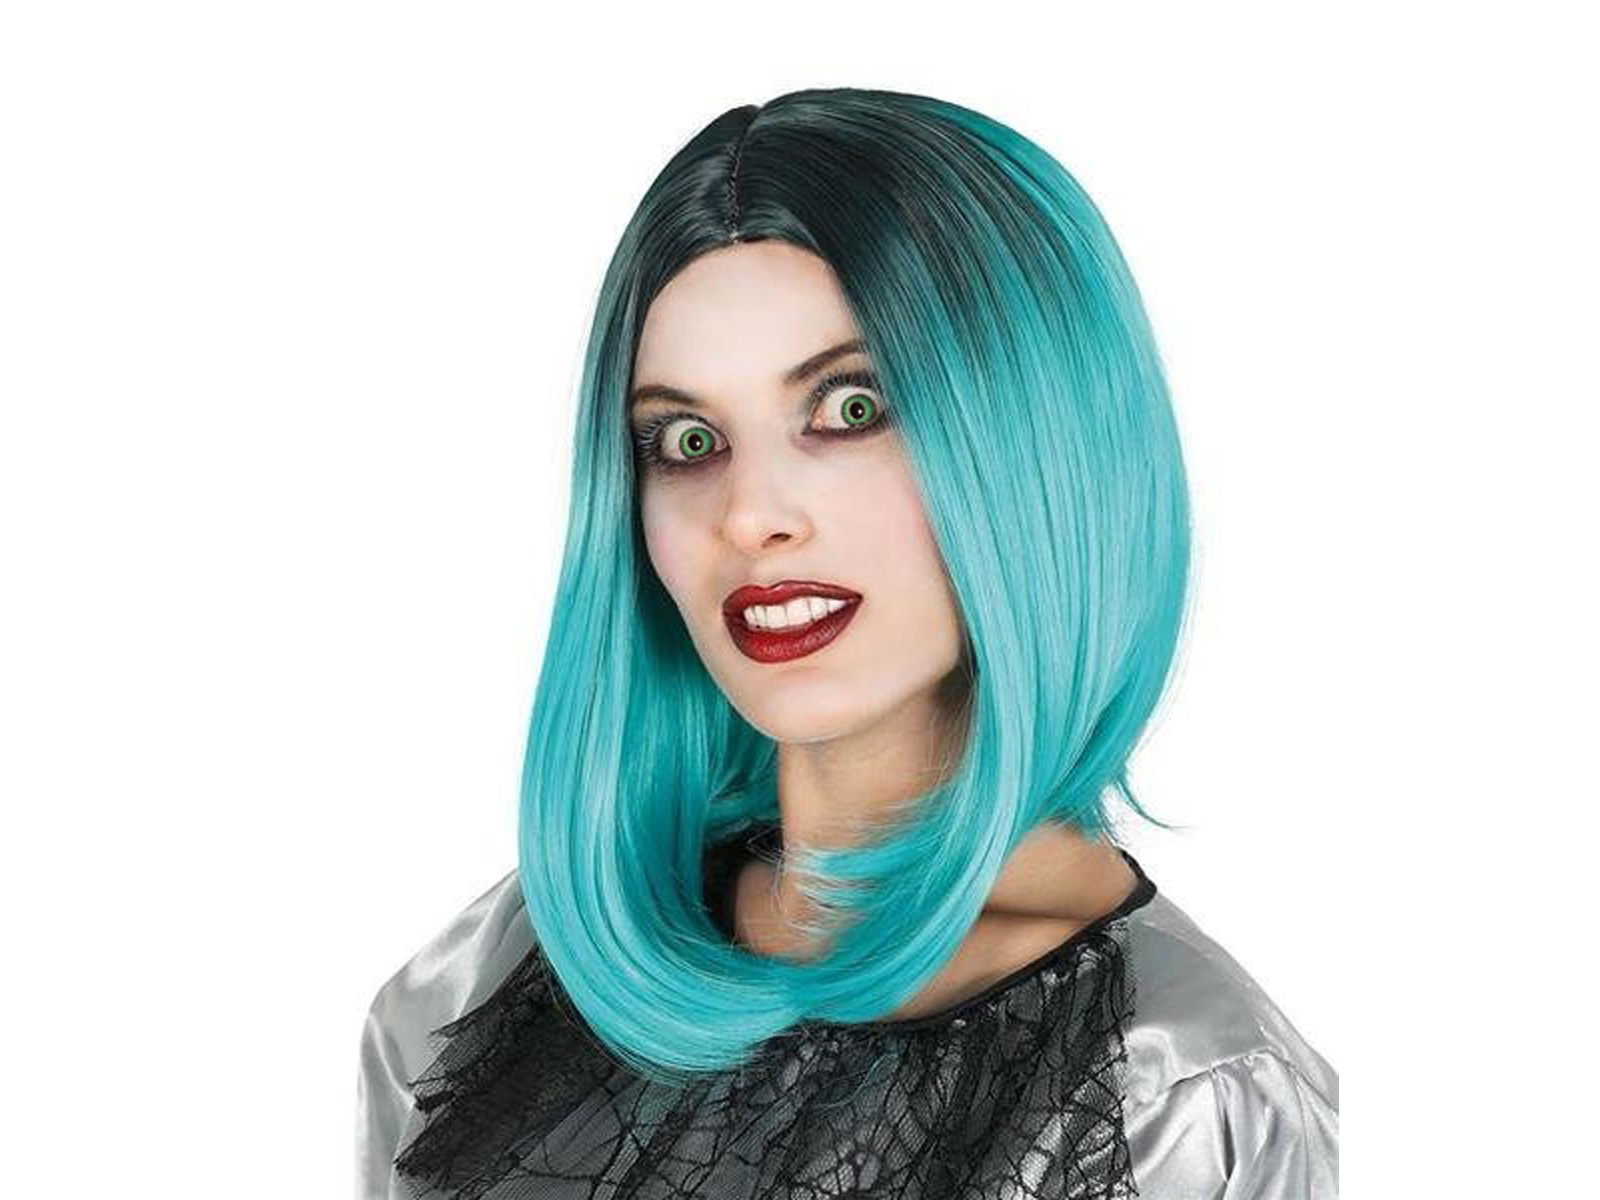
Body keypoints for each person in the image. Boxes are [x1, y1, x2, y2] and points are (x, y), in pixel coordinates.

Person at [355, 87, 1338, 1199]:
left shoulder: (1187, 1091)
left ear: (1040, 444)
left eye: (849, 410)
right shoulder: (490, 979)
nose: (750, 515)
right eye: (688, 440)